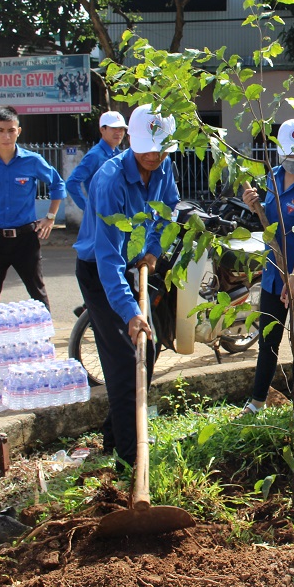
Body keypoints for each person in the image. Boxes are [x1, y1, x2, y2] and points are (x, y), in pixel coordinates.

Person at [73, 104, 179, 468]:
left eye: (161, 148)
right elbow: (107, 259)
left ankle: (114, 433)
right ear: (131, 140)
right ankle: (130, 459)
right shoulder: (109, 181)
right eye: (147, 147)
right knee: (123, 359)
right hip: (99, 272)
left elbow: (169, 212)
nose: (154, 155)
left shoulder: (164, 165)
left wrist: (152, 251)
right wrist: (131, 312)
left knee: (146, 352)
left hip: (135, 264)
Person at [240, 119, 294, 415]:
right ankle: (257, 401)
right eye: (289, 156)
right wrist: (254, 205)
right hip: (272, 277)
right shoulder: (273, 178)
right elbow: (269, 224)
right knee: (269, 340)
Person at [0, 106, 65, 309]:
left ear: (18, 131)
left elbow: (57, 184)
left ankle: (45, 337)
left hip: (25, 239)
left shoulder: (32, 161)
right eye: (1, 130)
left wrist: (50, 216)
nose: (6, 136)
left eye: (11, 130)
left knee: (38, 293)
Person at [66, 110, 128, 212]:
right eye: (113, 128)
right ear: (102, 129)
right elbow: (71, 183)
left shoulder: (118, 154)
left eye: (121, 129)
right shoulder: (95, 155)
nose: (119, 132)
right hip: (102, 216)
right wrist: (89, 209)